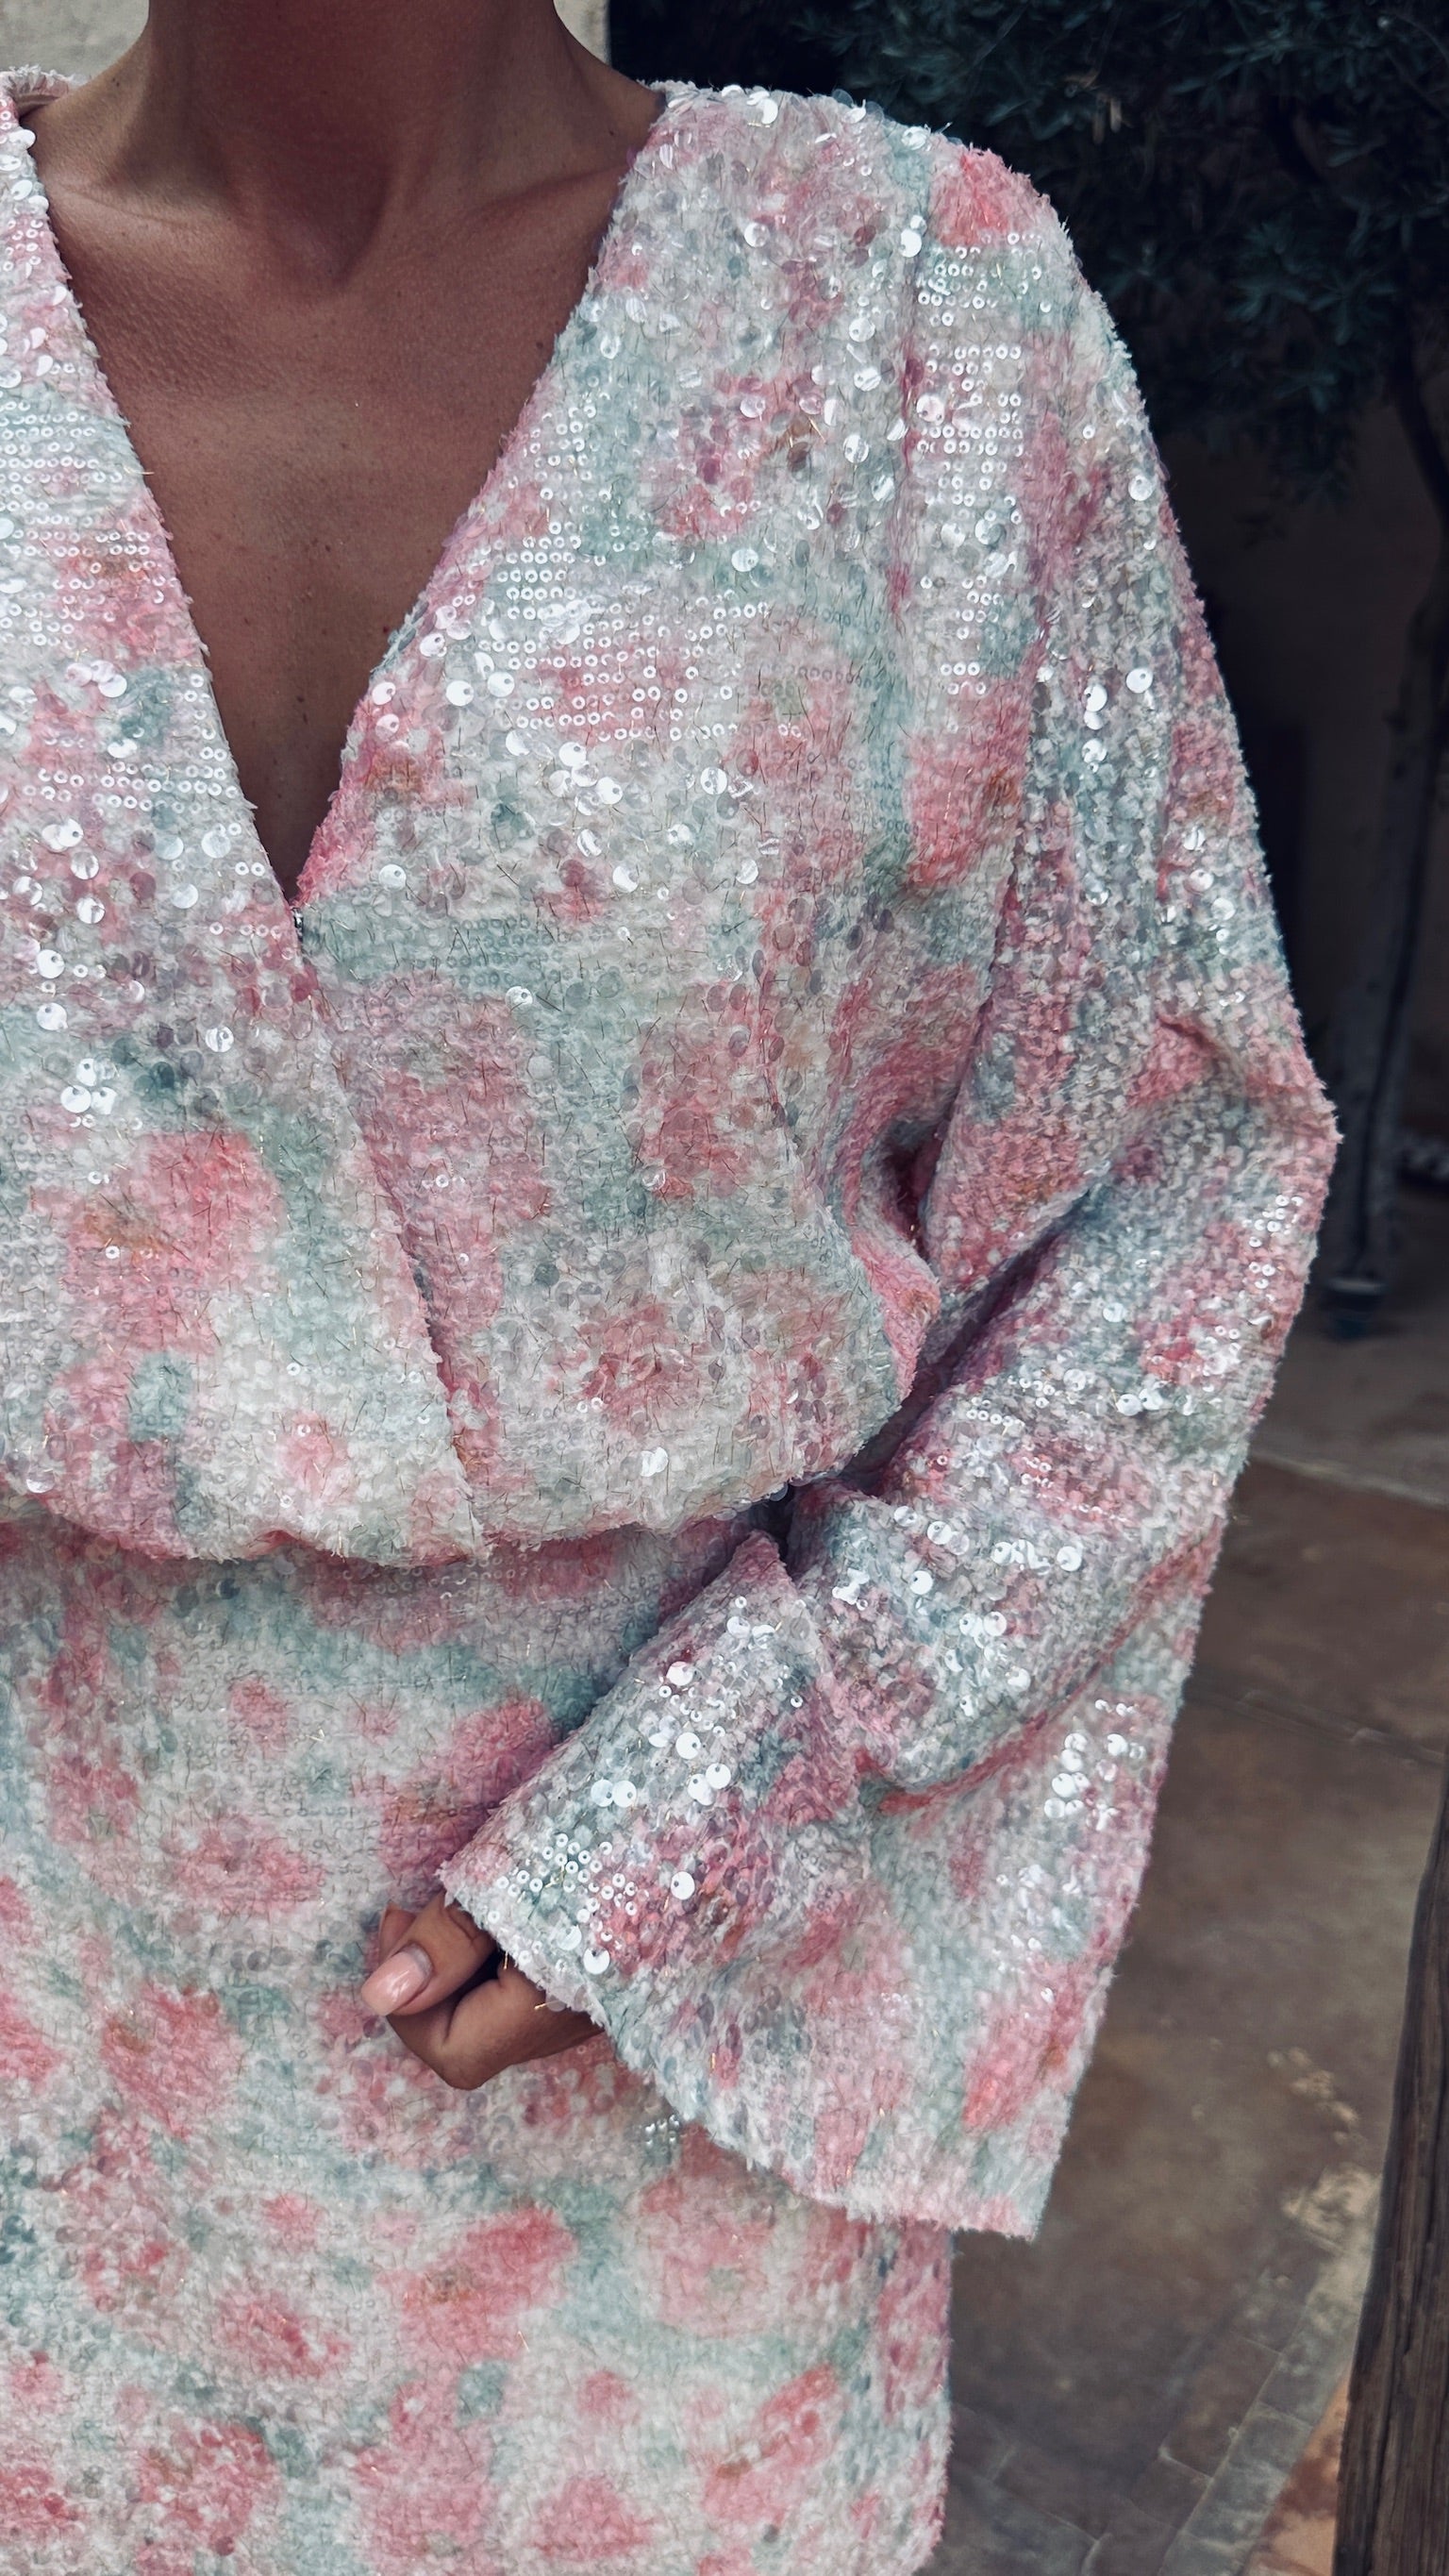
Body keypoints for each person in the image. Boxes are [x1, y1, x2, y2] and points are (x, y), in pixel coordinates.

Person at [0, 4, 1337, 2569]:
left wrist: (716, 1814)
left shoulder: (922, 330)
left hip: (657, 2143)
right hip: (49, 2070)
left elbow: (1159, 1197)